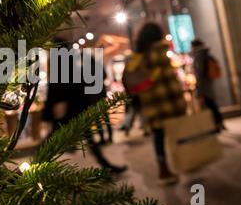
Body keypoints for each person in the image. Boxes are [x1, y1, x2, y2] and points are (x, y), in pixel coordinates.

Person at [42, 38, 126, 173]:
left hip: (69, 107)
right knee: (52, 141)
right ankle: (32, 168)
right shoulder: (65, 60)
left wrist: (58, 102)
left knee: (52, 141)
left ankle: (32, 168)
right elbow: (64, 84)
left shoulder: (60, 60)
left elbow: (60, 85)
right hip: (70, 107)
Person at [123, 22, 186, 184]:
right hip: (167, 100)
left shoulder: (140, 56)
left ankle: (163, 169)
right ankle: (187, 160)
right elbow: (168, 79)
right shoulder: (159, 51)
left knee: (158, 135)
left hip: (151, 102)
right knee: (178, 131)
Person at [191, 39, 225, 130]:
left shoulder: (199, 56)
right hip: (208, 82)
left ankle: (215, 124)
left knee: (209, 104)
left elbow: (199, 73)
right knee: (212, 103)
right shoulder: (205, 54)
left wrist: (199, 88)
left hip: (203, 84)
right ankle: (219, 123)